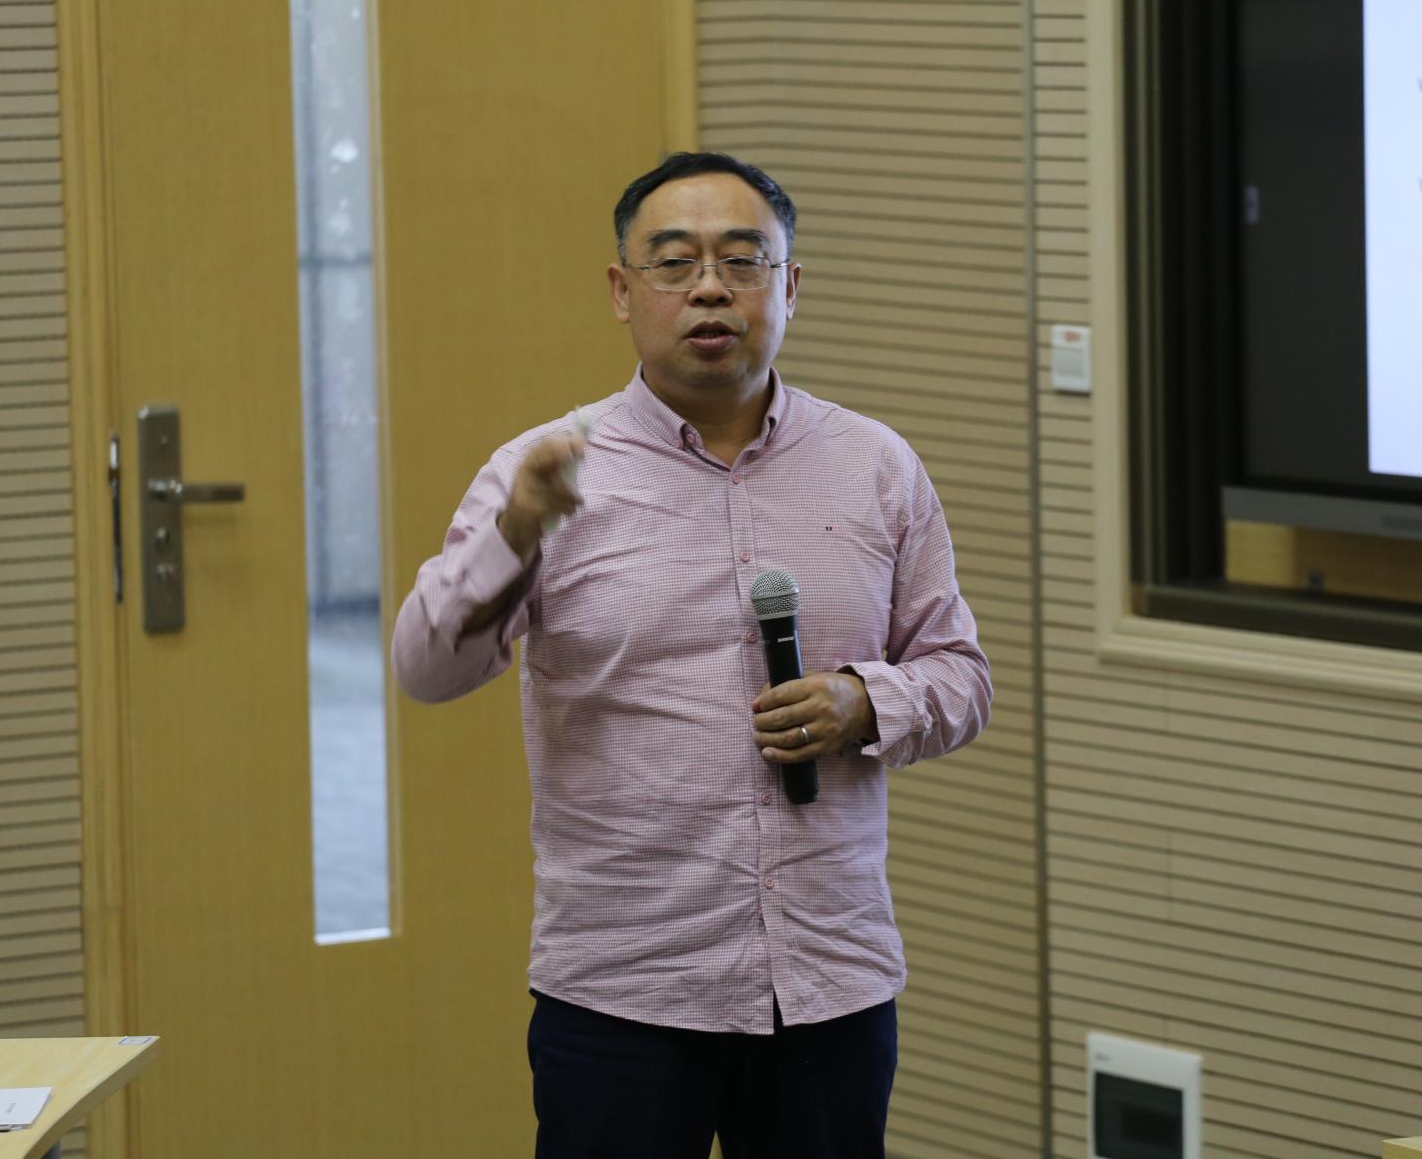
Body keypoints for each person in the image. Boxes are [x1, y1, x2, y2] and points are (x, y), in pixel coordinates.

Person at [393, 151, 991, 1158]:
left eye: (742, 260)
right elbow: (426, 668)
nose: (710, 288)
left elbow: (962, 675)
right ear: (622, 291)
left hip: (827, 976)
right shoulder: (545, 470)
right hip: (627, 981)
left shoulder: (876, 466)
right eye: (674, 262)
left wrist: (864, 702)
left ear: (789, 287)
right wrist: (515, 535)